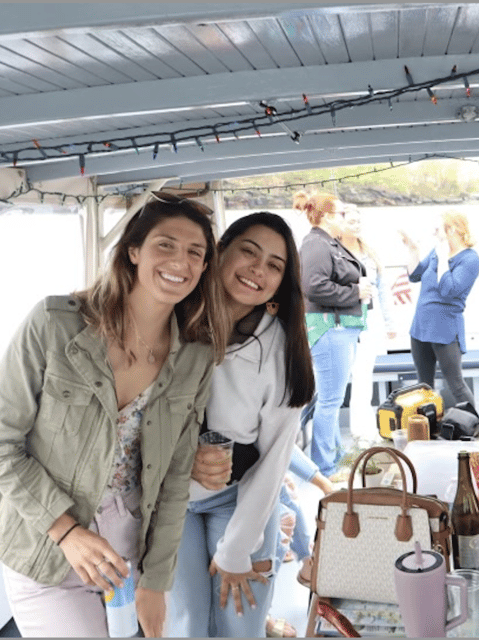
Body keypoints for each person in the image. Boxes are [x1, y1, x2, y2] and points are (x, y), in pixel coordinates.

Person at [0, 191, 226, 637]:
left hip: (127, 555)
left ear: (205, 268)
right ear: (133, 251)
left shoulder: (195, 359)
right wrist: (68, 532)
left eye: (195, 252)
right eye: (164, 244)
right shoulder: (54, 325)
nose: (179, 261)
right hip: (45, 548)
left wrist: (156, 582)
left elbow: (172, 481)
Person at [166, 212, 315, 638]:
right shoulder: (171, 321)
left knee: (239, 627)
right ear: (220, 252)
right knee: (186, 627)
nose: (258, 270)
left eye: (274, 265)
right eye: (248, 252)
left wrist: (237, 551)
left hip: (240, 500)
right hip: (172, 501)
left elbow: (273, 462)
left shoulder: (280, 349)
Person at [295, 192, 373, 477]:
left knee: (332, 398)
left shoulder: (327, 243)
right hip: (330, 328)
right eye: (340, 213)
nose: (344, 217)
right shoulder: (316, 243)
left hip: (340, 329)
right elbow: (313, 286)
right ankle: (325, 467)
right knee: (330, 400)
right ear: (327, 216)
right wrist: (355, 292)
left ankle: (336, 458)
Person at [400, 210, 479, 409]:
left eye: (437, 229)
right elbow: (414, 275)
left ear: (451, 230)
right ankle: (429, 426)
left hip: (445, 330)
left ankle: (474, 424)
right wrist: (413, 250)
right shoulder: (436, 252)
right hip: (421, 327)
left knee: (456, 384)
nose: (433, 232)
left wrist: (444, 258)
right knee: (424, 385)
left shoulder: (470, 260)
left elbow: (448, 290)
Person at [338, 203, 397, 438]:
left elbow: (382, 290)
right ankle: (338, 429)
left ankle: (363, 428)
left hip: (369, 320)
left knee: (364, 375)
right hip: (342, 320)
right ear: (339, 224)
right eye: (351, 221)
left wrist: (390, 323)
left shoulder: (370, 253)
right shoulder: (333, 252)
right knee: (342, 376)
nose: (356, 225)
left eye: (359, 221)